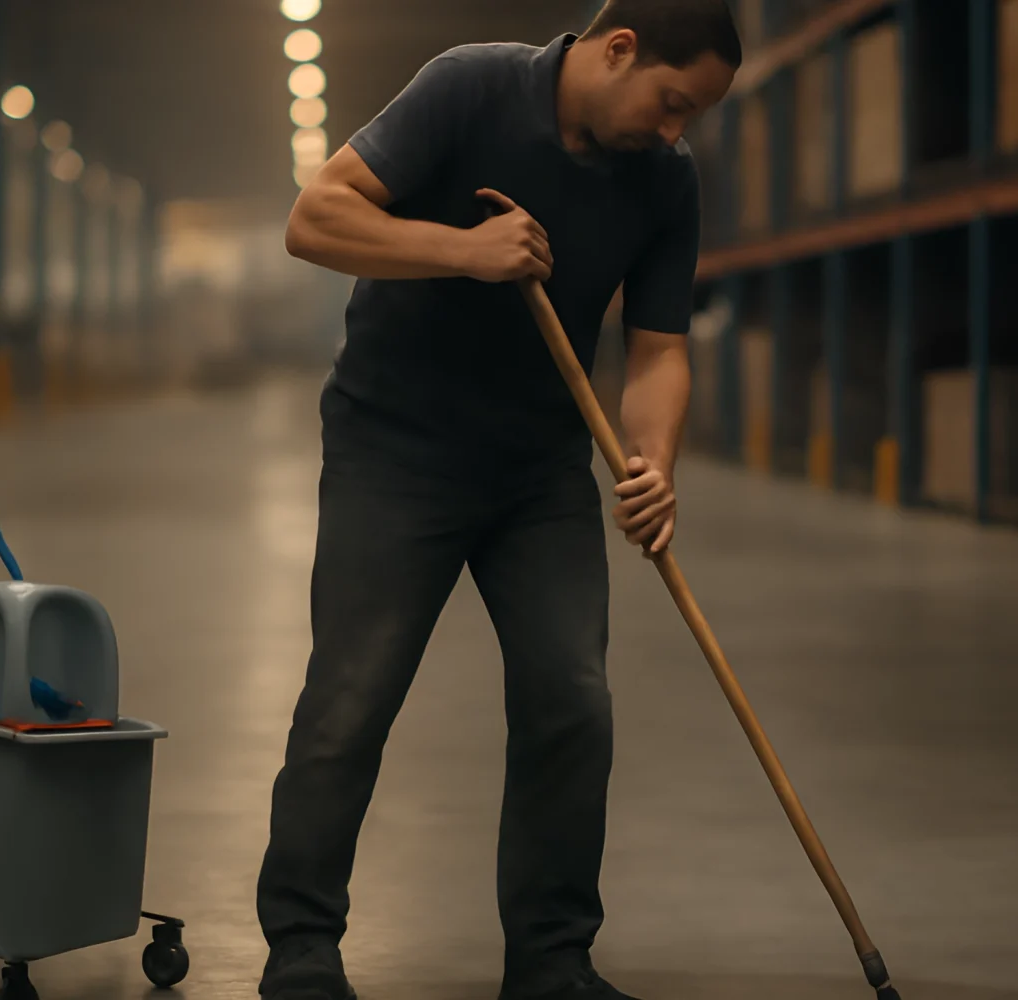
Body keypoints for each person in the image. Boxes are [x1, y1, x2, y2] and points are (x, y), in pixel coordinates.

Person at [257, 2, 740, 997]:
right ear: (619, 50)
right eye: (671, 102)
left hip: (539, 473)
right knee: (351, 697)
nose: (673, 130)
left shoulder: (664, 179)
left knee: (572, 698)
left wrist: (653, 462)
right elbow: (315, 219)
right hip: (394, 448)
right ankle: (302, 947)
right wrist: (463, 249)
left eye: (688, 116)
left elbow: (658, 350)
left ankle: (552, 961)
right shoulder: (469, 87)